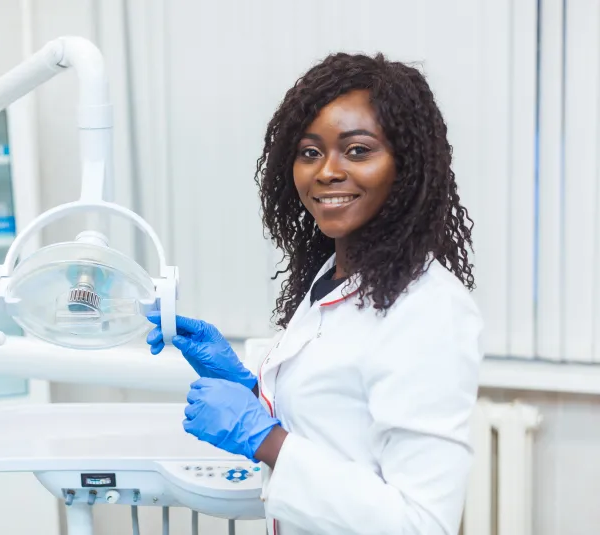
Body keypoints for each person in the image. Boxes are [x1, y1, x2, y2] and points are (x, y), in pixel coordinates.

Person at [146, 52, 483, 535]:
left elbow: (422, 523)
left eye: (358, 150)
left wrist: (265, 441)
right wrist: (249, 388)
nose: (326, 171)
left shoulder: (430, 310)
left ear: (406, 167)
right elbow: (334, 427)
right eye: (309, 152)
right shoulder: (332, 278)